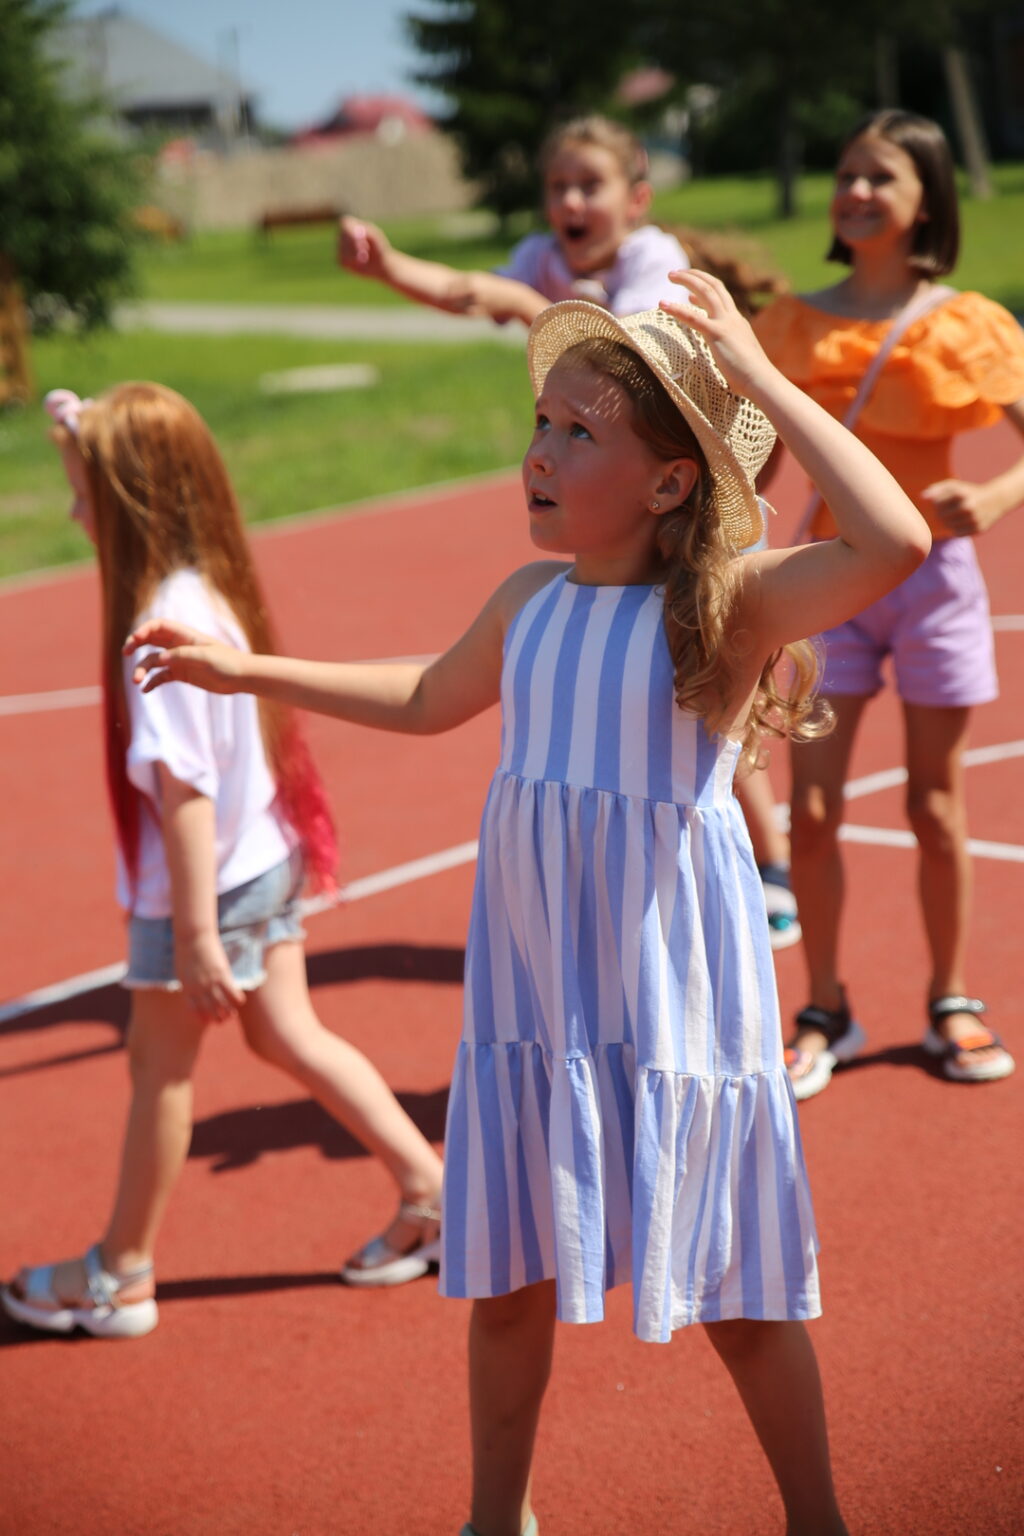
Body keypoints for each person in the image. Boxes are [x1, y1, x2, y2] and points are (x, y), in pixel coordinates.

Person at [124, 271, 931, 1534]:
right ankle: (496, 1518)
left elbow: (895, 543)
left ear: (670, 482)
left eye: (578, 432)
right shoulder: (527, 601)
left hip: (670, 997)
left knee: (737, 1296)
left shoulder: (722, 610)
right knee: (505, 1278)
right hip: (538, 996)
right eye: (539, 423)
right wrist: (248, 671)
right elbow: (426, 697)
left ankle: (816, 1521)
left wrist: (758, 379)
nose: (538, 454)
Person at [0, 383, 444, 1340]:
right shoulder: (203, 590)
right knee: (286, 1035)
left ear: (131, 503)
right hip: (263, 855)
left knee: (158, 1070)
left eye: (83, 493)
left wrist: (195, 935)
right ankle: (431, 1189)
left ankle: (120, 1272)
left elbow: (186, 797)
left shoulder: (157, 632)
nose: (73, 512)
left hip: (208, 889)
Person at [340, 113, 797, 944]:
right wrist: (388, 266)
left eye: (591, 185)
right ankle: (685, 863)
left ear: (637, 198)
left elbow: (636, 363)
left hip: (682, 499)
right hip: (630, 498)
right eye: (558, 186)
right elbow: (468, 289)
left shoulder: (652, 260)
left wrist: (530, 307)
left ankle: (769, 862)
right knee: (671, 699)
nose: (571, 202)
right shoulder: (542, 258)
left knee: (709, 693)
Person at [754, 109, 1024, 1099]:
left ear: (927, 202)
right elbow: (751, 464)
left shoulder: (969, 322)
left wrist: (995, 496)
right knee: (813, 811)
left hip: (936, 588)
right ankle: (824, 1006)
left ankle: (951, 997)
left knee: (934, 805)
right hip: (828, 583)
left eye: (881, 177)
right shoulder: (789, 324)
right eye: (846, 174)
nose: (856, 192)